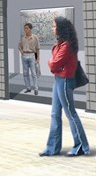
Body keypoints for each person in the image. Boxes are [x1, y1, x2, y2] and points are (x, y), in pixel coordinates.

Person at [40, 16, 90, 157]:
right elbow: (55, 62)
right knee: (55, 114)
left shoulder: (67, 45)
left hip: (65, 81)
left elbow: (54, 63)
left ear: (60, 28)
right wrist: (53, 62)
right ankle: (52, 148)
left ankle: (81, 146)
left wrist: (51, 62)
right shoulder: (62, 44)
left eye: (54, 26)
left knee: (70, 114)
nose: (52, 28)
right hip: (58, 79)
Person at [19, 22, 40, 95]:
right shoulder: (23, 38)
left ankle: (36, 88)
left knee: (34, 73)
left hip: (32, 55)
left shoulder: (35, 37)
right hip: (24, 56)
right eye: (24, 28)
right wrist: (22, 52)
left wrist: (37, 58)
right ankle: (28, 88)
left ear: (30, 29)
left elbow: (37, 49)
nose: (25, 30)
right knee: (25, 73)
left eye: (26, 28)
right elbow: (19, 46)